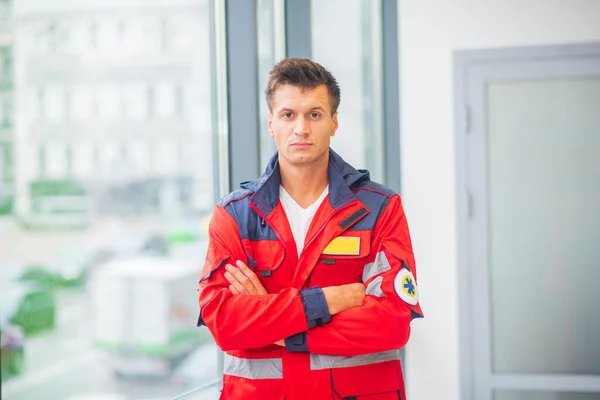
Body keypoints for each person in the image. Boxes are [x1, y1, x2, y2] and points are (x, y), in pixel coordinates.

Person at [197, 58, 423, 400]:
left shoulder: (378, 209)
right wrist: (326, 301)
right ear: (271, 123)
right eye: (288, 115)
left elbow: (391, 323)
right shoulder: (235, 215)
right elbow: (225, 323)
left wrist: (277, 326)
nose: (300, 128)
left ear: (334, 122)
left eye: (314, 114)